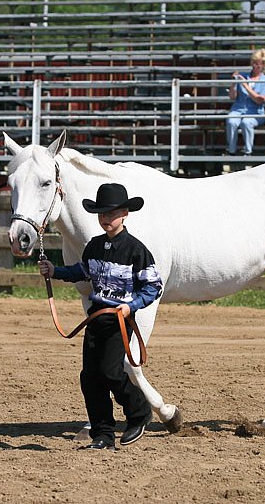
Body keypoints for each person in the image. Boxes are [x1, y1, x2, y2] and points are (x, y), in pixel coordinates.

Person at [38, 183, 163, 451]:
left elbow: (153, 286)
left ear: (125, 214)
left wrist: (132, 306)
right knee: (90, 378)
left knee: (111, 372)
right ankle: (103, 432)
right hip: (96, 318)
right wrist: (55, 271)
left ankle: (139, 413)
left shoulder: (135, 250)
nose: (105, 218)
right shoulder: (94, 245)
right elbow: (83, 271)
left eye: (111, 213)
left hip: (119, 319)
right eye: (101, 214)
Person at [226, 48, 265, 155]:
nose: (255, 66)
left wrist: (245, 85)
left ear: (264, 65)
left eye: (258, 64)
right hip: (238, 109)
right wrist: (233, 84)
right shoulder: (243, 75)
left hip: (256, 112)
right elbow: (232, 97)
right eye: (254, 62)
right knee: (231, 121)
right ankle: (231, 151)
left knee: (246, 122)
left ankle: (248, 151)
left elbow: (260, 100)